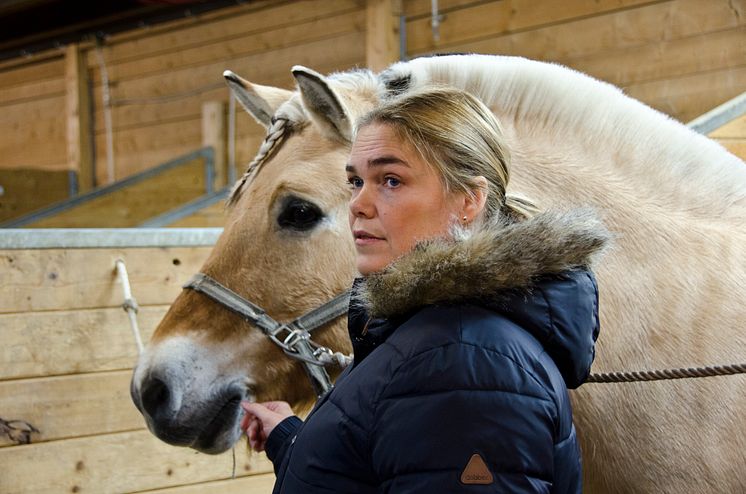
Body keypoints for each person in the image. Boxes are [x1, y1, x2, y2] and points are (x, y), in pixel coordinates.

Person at [241, 87, 609, 493]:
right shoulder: (430, 338)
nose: (358, 204)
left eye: (391, 180)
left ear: (468, 201)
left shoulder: (463, 359)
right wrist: (291, 439)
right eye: (356, 181)